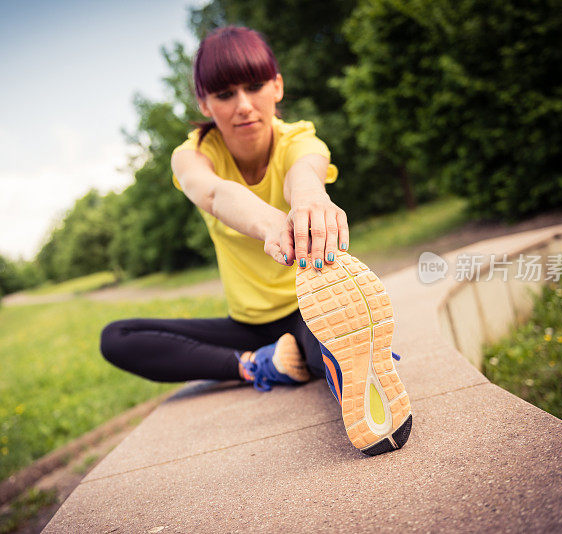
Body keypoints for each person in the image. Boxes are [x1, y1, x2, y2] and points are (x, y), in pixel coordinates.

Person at [100, 26, 411, 456]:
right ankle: (260, 364)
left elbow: (305, 174)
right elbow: (214, 192)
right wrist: (270, 225)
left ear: (277, 86)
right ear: (204, 103)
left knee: (325, 342)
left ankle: (345, 366)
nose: (243, 106)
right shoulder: (192, 155)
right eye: (225, 95)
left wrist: (309, 200)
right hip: (247, 329)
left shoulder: (299, 138)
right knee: (117, 336)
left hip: (310, 309)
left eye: (254, 86)